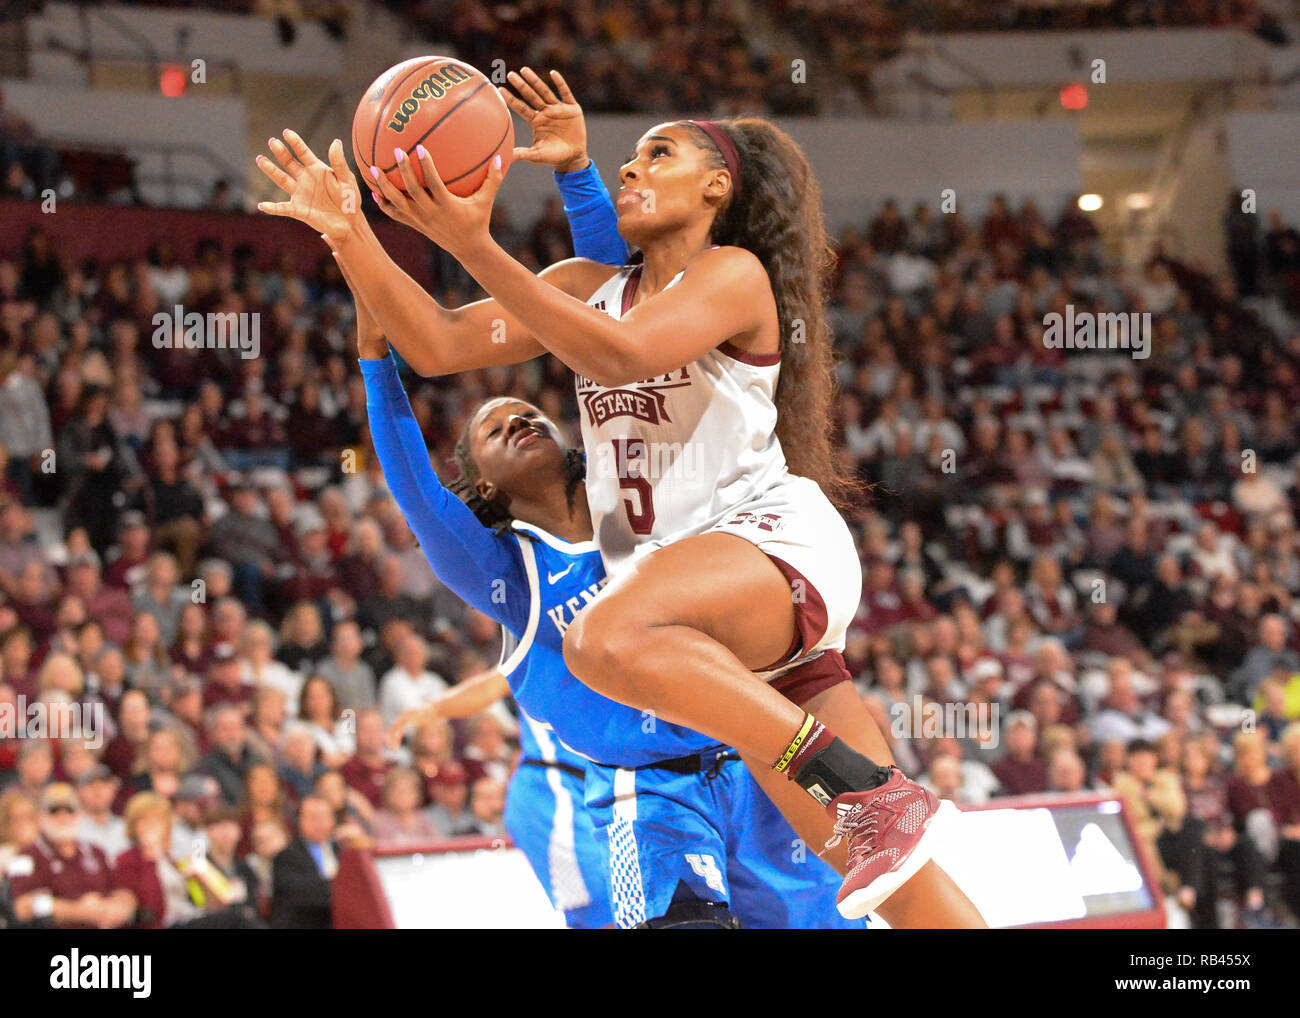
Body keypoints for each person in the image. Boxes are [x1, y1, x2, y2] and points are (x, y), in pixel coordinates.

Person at [259, 67, 981, 926]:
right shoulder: (580, 288)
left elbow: (621, 355)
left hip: (769, 547)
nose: (632, 169)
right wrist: (350, 235)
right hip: (718, 615)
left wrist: (477, 239)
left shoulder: (733, 274)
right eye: (626, 160)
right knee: (898, 891)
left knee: (600, 637)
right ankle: (872, 803)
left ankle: (867, 793)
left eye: (657, 153)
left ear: (717, 186)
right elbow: (438, 341)